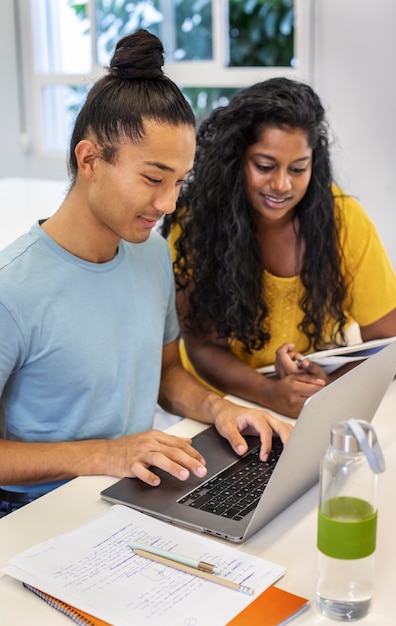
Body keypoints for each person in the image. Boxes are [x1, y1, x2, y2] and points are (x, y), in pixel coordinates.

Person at [0, 30, 292, 518]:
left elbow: (168, 373)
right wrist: (107, 453)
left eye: (179, 182)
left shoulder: (153, 254)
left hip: (134, 496)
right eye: (154, 179)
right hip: (40, 516)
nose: (168, 204)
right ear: (89, 159)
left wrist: (221, 408)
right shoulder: (12, 290)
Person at [161, 77, 396, 419]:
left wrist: (319, 387)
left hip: (302, 400)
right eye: (264, 166)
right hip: (221, 406)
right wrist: (269, 393)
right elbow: (202, 346)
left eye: (298, 168)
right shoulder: (198, 222)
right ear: (237, 159)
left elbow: (394, 348)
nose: (281, 184)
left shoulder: (342, 220)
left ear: (314, 162)